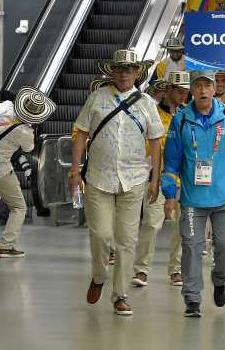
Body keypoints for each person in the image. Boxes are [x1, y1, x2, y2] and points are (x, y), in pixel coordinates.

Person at [69, 49, 165, 315]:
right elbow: (81, 135)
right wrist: (75, 172)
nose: (124, 73)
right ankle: (99, 276)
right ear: (112, 71)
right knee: (100, 234)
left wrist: (155, 178)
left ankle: (120, 294)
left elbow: (155, 141)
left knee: (127, 240)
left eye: (130, 69)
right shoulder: (97, 98)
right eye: (120, 68)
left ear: (137, 73)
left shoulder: (146, 103)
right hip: (98, 178)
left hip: (134, 180)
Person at [162, 70, 225, 318]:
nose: (203, 91)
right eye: (198, 86)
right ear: (191, 90)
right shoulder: (181, 119)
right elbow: (171, 161)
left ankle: (220, 280)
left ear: (215, 89)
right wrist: (170, 195)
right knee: (191, 247)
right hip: (193, 199)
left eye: (208, 85)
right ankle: (192, 299)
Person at [0, 86, 47, 258]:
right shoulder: (24, 131)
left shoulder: (6, 108)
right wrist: (32, 128)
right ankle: (6, 246)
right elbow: (29, 148)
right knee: (19, 207)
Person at [135, 71, 191, 287]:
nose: (182, 96)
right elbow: (145, 148)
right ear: (168, 90)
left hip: (183, 180)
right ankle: (142, 269)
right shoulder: (151, 114)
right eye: (178, 91)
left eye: (185, 92)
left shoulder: (189, 115)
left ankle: (176, 269)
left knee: (181, 226)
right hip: (156, 177)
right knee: (151, 223)